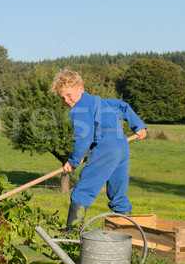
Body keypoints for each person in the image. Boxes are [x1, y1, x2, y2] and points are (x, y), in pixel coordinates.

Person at [50, 70, 147, 228]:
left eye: (68, 94)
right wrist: (139, 126)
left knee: (83, 190)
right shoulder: (101, 102)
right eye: (62, 97)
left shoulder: (79, 108)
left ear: (80, 89)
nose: (66, 100)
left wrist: (73, 161)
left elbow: (83, 137)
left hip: (106, 147)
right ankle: (124, 233)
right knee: (118, 193)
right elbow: (123, 107)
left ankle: (71, 234)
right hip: (122, 146)